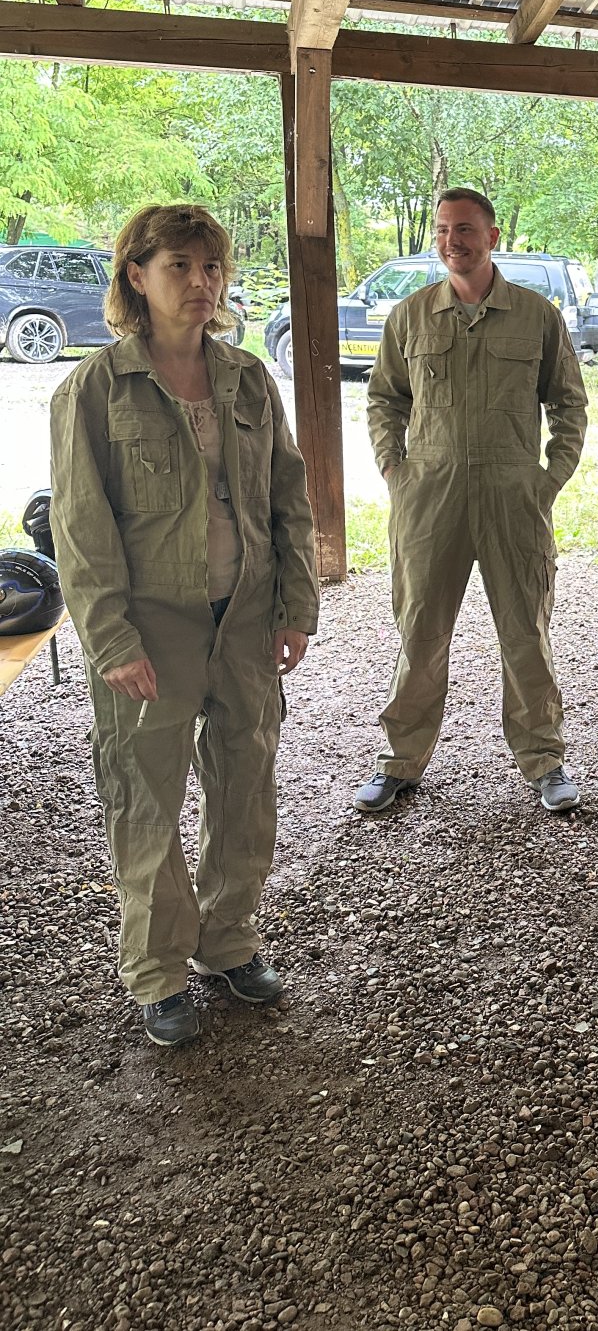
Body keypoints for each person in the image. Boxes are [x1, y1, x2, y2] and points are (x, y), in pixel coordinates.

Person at [50, 204, 318, 1048]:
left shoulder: (248, 378)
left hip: (244, 620)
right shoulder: (95, 388)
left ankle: (228, 940)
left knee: (245, 787)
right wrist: (110, 639)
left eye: (212, 267)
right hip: (151, 627)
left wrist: (296, 606)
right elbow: (81, 528)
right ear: (136, 275)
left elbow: (288, 498)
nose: (201, 283)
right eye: (180, 266)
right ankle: (159, 970)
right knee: (145, 801)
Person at [356, 188, 588, 816]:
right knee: (421, 631)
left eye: (464, 229)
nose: (451, 241)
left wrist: (549, 478)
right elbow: (384, 399)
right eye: (442, 230)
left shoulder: (536, 315)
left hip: (514, 497)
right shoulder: (411, 316)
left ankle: (545, 760)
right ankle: (401, 761)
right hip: (429, 498)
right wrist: (394, 469)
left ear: (491, 237)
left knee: (525, 632)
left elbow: (569, 403)